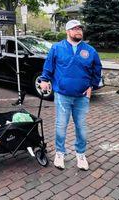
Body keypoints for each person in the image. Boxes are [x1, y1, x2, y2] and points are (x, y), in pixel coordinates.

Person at [39, 20, 102, 171]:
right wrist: (44, 80)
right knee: (61, 126)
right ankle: (60, 153)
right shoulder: (57, 48)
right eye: (74, 29)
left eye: (80, 28)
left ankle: (80, 154)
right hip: (62, 95)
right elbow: (48, 66)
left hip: (82, 97)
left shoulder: (90, 50)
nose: (78, 31)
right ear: (67, 32)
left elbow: (97, 68)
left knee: (81, 127)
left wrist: (92, 86)